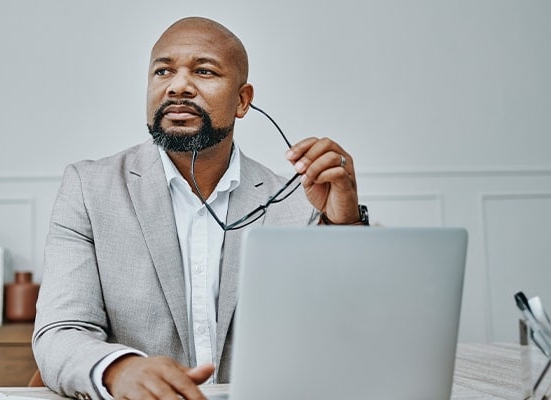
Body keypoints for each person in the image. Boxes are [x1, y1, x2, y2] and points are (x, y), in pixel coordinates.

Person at [33, 16, 367, 400]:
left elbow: (352, 335)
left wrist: (345, 223)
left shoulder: (298, 199)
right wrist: (120, 370)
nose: (178, 86)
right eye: (163, 71)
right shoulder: (89, 188)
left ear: (242, 101)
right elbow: (60, 333)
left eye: (203, 71)